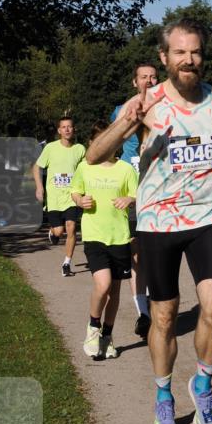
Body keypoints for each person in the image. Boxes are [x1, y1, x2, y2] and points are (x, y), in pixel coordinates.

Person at [86, 18, 212, 424]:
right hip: (158, 221)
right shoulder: (145, 104)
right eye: (180, 52)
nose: (189, 60)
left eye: (195, 52)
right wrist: (127, 122)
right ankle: (163, 395)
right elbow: (95, 155)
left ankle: (203, 384)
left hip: (207, 216)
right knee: (165, 315)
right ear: (164, 57)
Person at [71, 120, 139, 362]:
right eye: (101, 141)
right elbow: (75, 190)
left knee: (115, 291)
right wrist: (80, 201)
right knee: (103, 284)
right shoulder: (85, 167)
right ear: (92, 144)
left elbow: (136, 194)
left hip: (119, 236)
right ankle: (92, 328)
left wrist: (129, 200)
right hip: (94, 235)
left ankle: (107, 336)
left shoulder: (126, 169)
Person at [110, 62, 159, 339]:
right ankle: (144, 312)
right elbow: (110, 145)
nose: (149, 81)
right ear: (134, 82)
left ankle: (156, 300)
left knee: (157, 252)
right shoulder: (121, 110)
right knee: (137, 253)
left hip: (159, 191)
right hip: (130, 192)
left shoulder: (166, 109)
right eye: (143, 77)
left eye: (153, 77)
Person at [33, 117, 86, 276]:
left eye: (70, 126)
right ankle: (53, 232)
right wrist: (39, 187)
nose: (67, 129)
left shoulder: (80, 149)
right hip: (54, 198)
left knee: (71, 227)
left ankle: (66, 263)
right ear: (59, 131)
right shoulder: (50, 148)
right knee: (59, 231)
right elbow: (36, 167)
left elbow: (86, 169)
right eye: (64, 127)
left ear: (74, 129)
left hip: (72, 196)